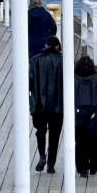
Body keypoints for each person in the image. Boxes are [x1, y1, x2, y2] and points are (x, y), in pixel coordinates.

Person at [29, 36, 64, 173]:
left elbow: (29, 82)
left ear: (46, 45)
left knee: (40, 131)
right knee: (55, 136)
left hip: (39, 104)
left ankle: (42, 155)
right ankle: (51, 165)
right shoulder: (63, 61)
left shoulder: (35, 60)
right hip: (58, 105)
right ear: (58, 47)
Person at [74, 55, 97, 177]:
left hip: (78, 115)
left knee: (80, 143)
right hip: (94, 116)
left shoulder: (74, 79)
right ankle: (94, 167)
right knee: (94, 142)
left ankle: (82, 168)